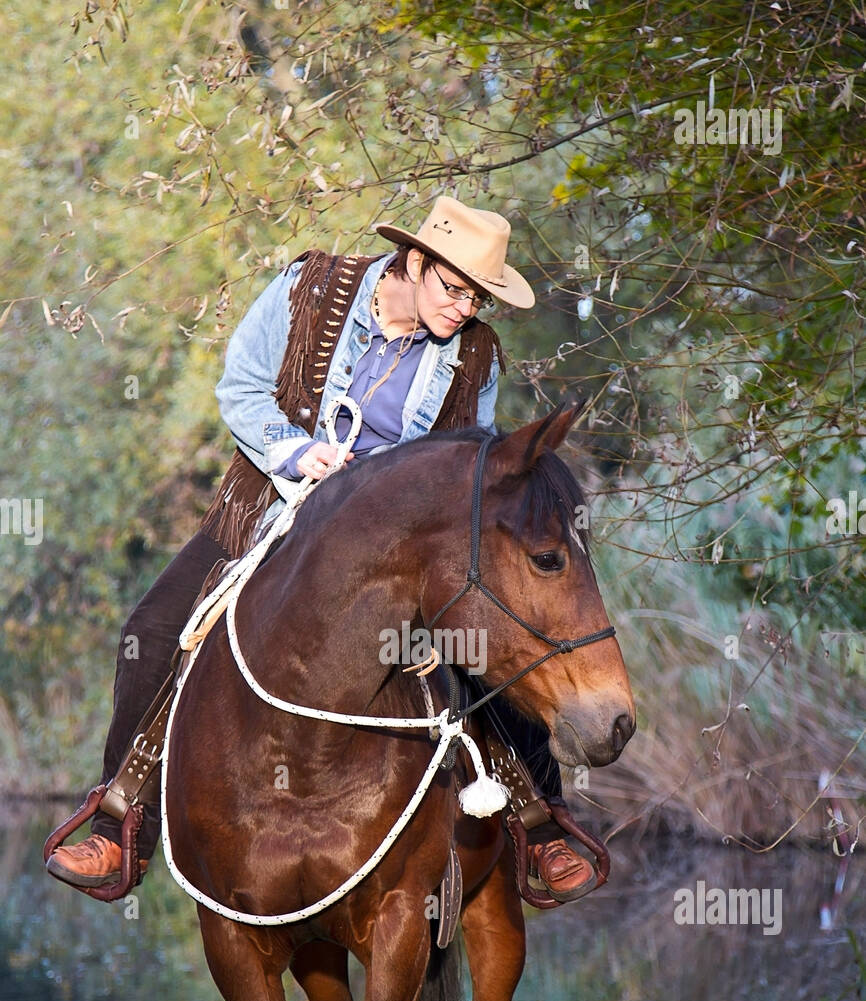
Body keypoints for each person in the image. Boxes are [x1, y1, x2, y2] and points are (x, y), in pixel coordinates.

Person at [46, 196, 595, 901]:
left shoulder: (477, 354)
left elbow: (472, 469)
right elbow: (241, 387)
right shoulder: (309, 288)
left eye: (477, 299)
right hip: (264, 509)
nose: (464, 310)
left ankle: (541, 828)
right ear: (415, 262)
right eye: (455, 289)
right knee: (151, 634)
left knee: (489, 645)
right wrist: (298, 453)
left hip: (393, 550)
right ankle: (119, 829)